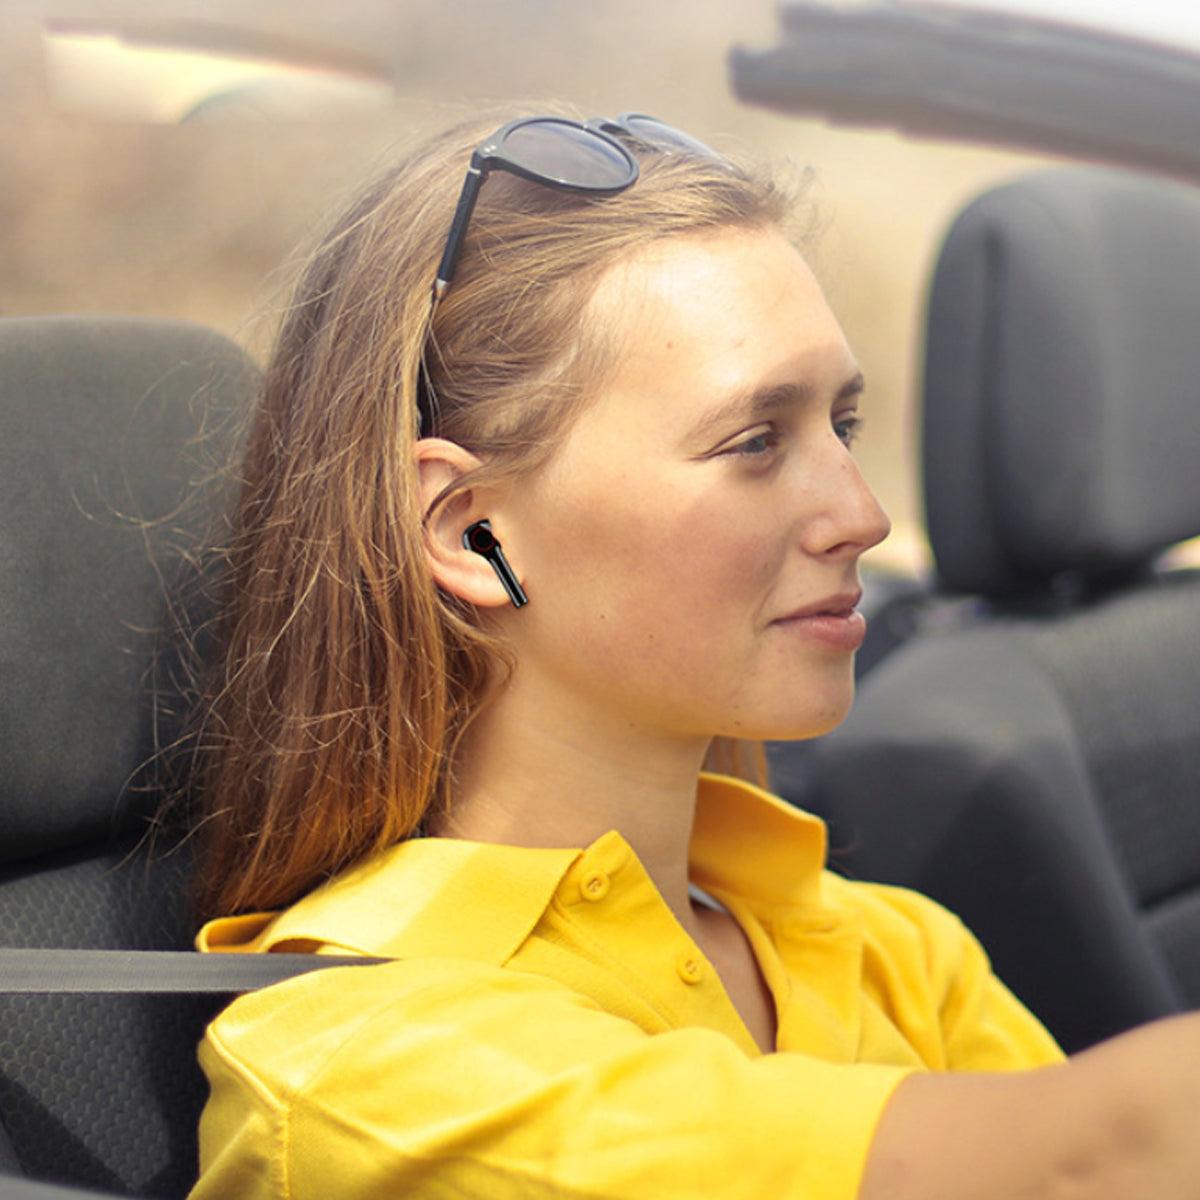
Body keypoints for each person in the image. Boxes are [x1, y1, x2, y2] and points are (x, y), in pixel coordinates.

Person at [185, 106, 1200, 1200]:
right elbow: (1095, 1165)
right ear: (473, 532)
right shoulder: (367, 1063)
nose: (861, 516)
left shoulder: (894, 953)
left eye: (843, 429)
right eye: (755, 442)